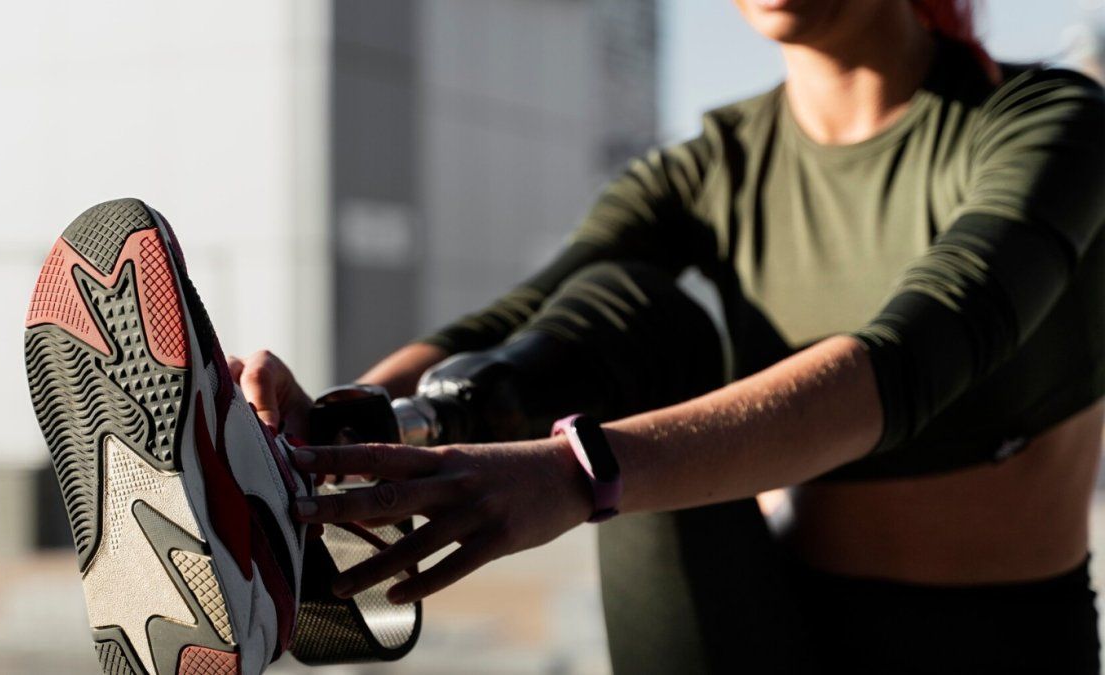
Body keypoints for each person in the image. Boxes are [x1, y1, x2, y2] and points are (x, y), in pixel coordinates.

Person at [230, 0, 1105, 672]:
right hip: (760, 618)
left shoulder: (1045, 122)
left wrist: (578, 473)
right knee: (627, 309)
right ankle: (302, 475)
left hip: (1002, 637)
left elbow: (918, 354)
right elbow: (525, 313)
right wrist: (357, 412)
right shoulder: (711, 163)